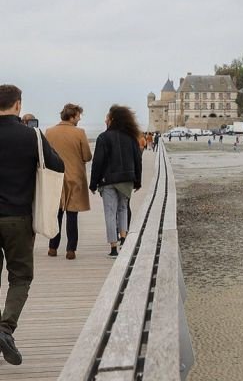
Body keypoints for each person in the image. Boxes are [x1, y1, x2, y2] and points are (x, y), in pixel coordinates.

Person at [0, 84, 64, 365]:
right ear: (17, 105)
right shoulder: (32, 136)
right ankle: (5, 329)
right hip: (19, 217)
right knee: (20, 277)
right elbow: (58, 166)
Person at [90, 105, 142, 259]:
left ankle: (113, 247)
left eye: (107, 117)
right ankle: (124, 238)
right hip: (126, 179)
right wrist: (138, 181)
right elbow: (137, 160)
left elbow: (97, 162)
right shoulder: (131, 137)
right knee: (123, 209)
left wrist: (93, 183)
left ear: (113, 119)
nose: (105, 119)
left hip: (108, 181)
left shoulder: (103, 137)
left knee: (110, 213)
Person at [45, 103, 92, 260]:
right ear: (72, 116)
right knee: (72, 215)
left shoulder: (49, 132)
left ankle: (53, 247)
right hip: (74, 177)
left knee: (56, 214)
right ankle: (70, 250)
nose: (79, 118)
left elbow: (44, 155)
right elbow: (87, 156)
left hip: (55, 177)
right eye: (78, 115)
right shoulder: (79, 133)